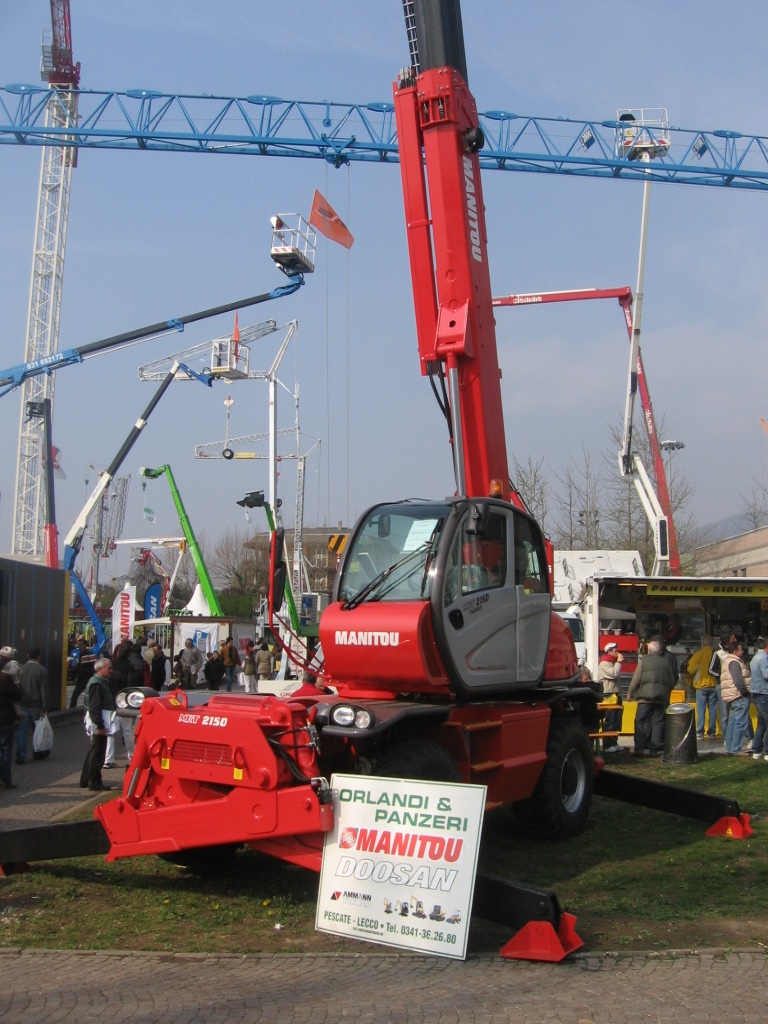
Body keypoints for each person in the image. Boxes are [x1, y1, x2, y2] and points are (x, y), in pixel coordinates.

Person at [626, 637, 675, 756]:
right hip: (661, 697)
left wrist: (630, 693)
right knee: (657, 722)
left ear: (649, 651)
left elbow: (636, 679)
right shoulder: (666, 662)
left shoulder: (644, 661)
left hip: (645, 697)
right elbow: (671, 681)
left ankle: (639, 748)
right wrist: (665, 691)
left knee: (640, 721)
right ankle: (654, 750)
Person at [80, 658, 116, 792]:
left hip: (99, 721)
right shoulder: (97, 684)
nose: (111, 671)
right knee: (97, 753)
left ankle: (86, 779)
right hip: (99, 722)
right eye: (109, 668)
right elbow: (95, 706)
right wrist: (99, 726)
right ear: (100, 669)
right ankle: (94, 782)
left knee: (93, 751)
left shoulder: (99, 682)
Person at [15, 646, 48, 765]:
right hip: (36, 704)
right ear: (39, 656)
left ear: (27, 656)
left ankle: (20, 754)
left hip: (23, 703)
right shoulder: (42, 670)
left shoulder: (21, 669)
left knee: (22, 730)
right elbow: (43, 691)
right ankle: (37, 752)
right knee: (37, 730)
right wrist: (44, 707)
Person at [720, 639, 751, 755]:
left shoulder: (728, 661)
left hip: (733, 696)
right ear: (735, 651)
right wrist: (745, 692)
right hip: (738, 696)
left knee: (733, 722)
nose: (742, 652)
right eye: (740, 649)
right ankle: (736, 749)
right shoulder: (734, 662)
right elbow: (738, 680)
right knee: (740, 723)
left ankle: (730, 748)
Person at [686, 635, 718, 740]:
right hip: (713, 685)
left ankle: (700, 732)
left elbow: (690, 669)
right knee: (713, 710)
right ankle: (712, 732)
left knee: (701, 710)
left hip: (701, 686)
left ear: (702, 643)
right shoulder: (715, 654)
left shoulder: (698, 654)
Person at [598, 643, 624, 754]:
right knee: (610, 720)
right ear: (609, 652)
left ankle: (614, 741)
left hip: (616, 694)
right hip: (608, 695)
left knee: (616, 720)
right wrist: (618, 662)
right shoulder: (604, 664)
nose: (617, 653)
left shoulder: (612, 663)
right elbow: (614, 674)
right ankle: (607, 744)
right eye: (615, 651)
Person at [0, 664, 23, 790]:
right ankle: (5, 780)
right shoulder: (5, 678)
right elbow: (18, 695)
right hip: (5, 719)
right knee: (6, 751)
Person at [748, 636, 768, 761]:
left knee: (761, 723)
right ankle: (766, 751)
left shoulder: (756, 657)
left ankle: (756, 750)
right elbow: (766, 674)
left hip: (757, 693)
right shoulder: (764, 658)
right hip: (763, 693)